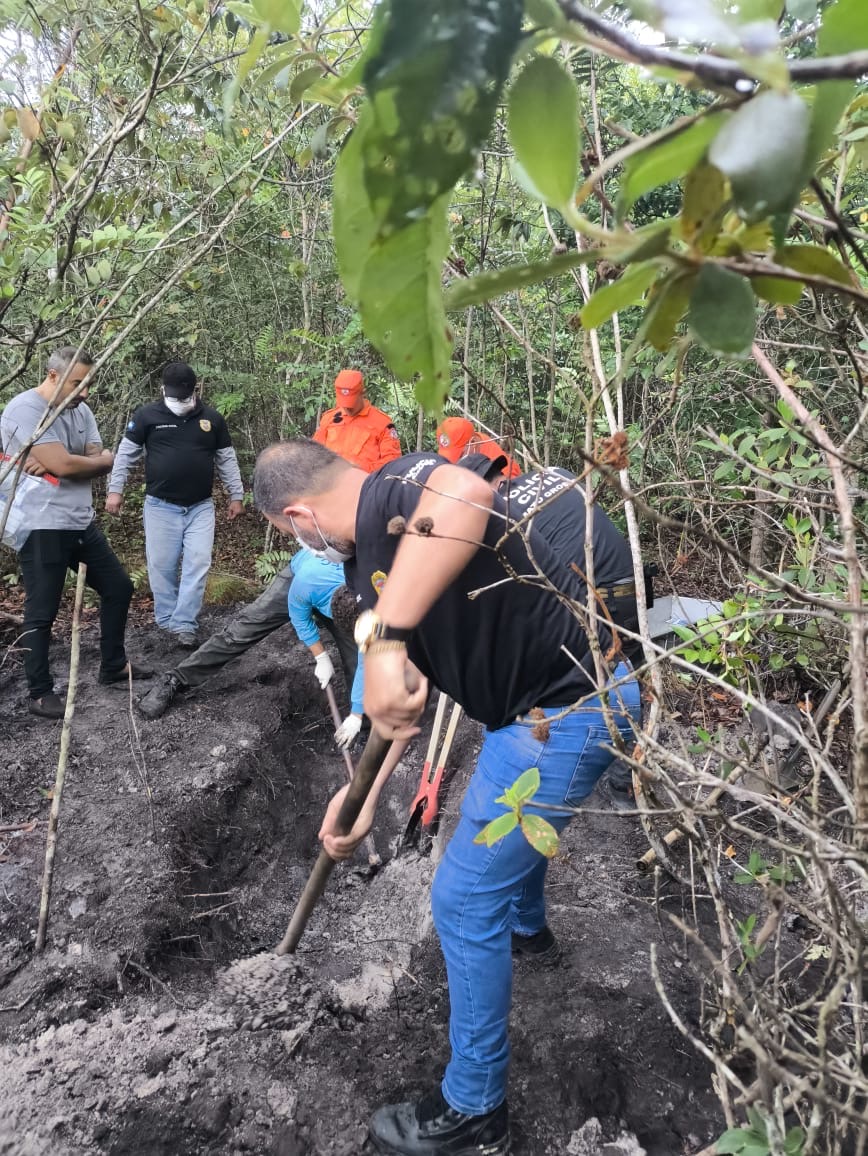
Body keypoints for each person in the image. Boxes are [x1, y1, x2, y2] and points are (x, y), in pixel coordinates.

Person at [252, 440, 641, 1156]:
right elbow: (405, 702)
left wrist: (387, 640)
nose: (299, 543)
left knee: (462, 900)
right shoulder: (365, 562)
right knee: (497, 846)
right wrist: (360, 798)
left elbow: (467, 493)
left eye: (289, 534)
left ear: (298, 514)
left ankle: (473, 1112)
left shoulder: (400, 492)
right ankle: (528, 932)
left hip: (569, 710)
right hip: (531, 713)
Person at [460, 452, 647, 810]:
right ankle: (628, 783)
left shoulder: (502, 513)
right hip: (630, 587)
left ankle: (562, 768)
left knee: (557, 679)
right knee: (631, 681)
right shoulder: (555, 474)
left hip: (590, 599)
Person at [0, 346, 151, 718]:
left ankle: (112, 665)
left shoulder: (79, 409)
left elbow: (98, 455)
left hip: (79, 520)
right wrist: (83, 461)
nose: (84, 392)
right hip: (40, 524)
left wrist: (93, 460)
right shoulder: (25, 409)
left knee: (118, 586)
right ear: (53, 376)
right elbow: (68, 465)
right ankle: (39, 693)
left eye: (87, 384)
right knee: (42, 609)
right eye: (77, 383)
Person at [135, 552, 361, 732]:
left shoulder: (375, 592)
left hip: (347, 597)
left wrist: (357, 714)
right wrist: (321, 657)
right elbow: (300, 619)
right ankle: (175, 679)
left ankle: (362, 726)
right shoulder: (304, 584)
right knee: (241, 631)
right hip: (299, 576)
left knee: (357, 657)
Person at [106, 361, 244, 648]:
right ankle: (166, 619)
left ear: (196, 390)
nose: (179, 401)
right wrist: (114, 491)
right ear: (163, 390)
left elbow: (226, 459)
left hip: (200, 506)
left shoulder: (213, 420)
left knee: (198, 562)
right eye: (174, 395)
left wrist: (236, 495)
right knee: (162, 565)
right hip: (160, 506)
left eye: (184, 395)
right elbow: (125, 455)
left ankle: (184, 624)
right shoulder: (146, 416)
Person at [313, 369, 402, 472]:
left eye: (351, 403)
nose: (348, 408)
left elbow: (392, 461)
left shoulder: (382, 423)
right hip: (331, 482)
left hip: (366, 483)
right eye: (344, 404)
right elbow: (314, 452)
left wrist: (359, 469)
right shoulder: (329, 418)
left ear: (362, 393)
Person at [435, 416, 520, 478]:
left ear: (473, 442)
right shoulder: (474, 440)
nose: (454, 461)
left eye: (460, 455)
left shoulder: (504, 471)